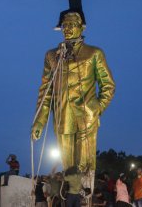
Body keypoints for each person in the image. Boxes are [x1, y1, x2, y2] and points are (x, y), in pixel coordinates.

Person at [31, 12, 115, 177]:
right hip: (62, 117)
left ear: (80, 27)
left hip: (87, 116)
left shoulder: (94, 53)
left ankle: (85, 198)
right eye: (64, 25)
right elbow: (45, 91)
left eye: (71, 25)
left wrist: (96, 108)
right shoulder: (52, 56)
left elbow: (108, 85)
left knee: (85, 168)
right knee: (69, 171)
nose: (67, 29)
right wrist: (39, 121)